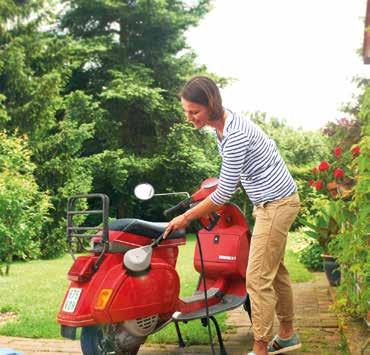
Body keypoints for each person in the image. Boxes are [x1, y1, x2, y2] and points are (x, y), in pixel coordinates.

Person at [163, 76, 302, 355]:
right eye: (186, 112)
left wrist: (186, 217)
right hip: (268, 203)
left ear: (211, 104)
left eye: (194, 111)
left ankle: (260, 347)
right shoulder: (221, 130)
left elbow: (225, 192)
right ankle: (287, 335)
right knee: (275, 272)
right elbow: (230, 179)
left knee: (257, 277)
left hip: (277, 203)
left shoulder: (235, 134)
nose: (189, 117)